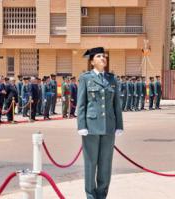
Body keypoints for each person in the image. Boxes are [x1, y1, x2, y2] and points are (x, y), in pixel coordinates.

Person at [77, 47, 123, 199]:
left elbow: (116, 104)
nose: (103, 58)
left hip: (109, 128)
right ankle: (90, 195)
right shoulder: (85, 78)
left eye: (104, 56)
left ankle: (102, 195)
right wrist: (81, 125)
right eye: (99, 56)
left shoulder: (112, 79)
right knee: (90, 164)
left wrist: (119, 125)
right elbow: (81, 104)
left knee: (105, 165)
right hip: (91, 127)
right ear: (92, 61)